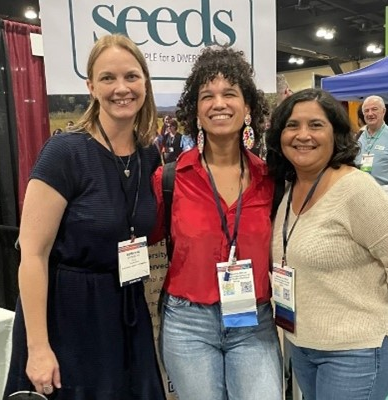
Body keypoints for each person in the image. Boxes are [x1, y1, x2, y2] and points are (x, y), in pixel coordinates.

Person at [3, 33, 165, 399]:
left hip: (126, 309)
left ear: (145, 82)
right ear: (91, 87)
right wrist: (39, 347)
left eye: (131, 76)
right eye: (108, 78)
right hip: (67, 316)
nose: (121, 88)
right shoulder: (64, 153)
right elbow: (32, 256)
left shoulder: (148, 156)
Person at [152, 46, 280, 400]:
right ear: (196, 110)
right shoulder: (170, 178)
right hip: (188, 324)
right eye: (207, 96)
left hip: (253, 323)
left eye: (230, 94)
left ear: (248, 107)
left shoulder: (271, 179)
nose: (219, 103)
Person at [266, 88, 388, 399]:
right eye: (292, 125)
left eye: (316, 125)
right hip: (303, 344)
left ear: (336, 133)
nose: (302, 135)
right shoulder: (289, 189)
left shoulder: (357, 190)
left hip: (355, 351)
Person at [356, 95, 388, 185]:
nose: (370, 114)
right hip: (361, 191)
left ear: (383, 111)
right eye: (366, 110)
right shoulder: (358, 137)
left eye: (374, 109)